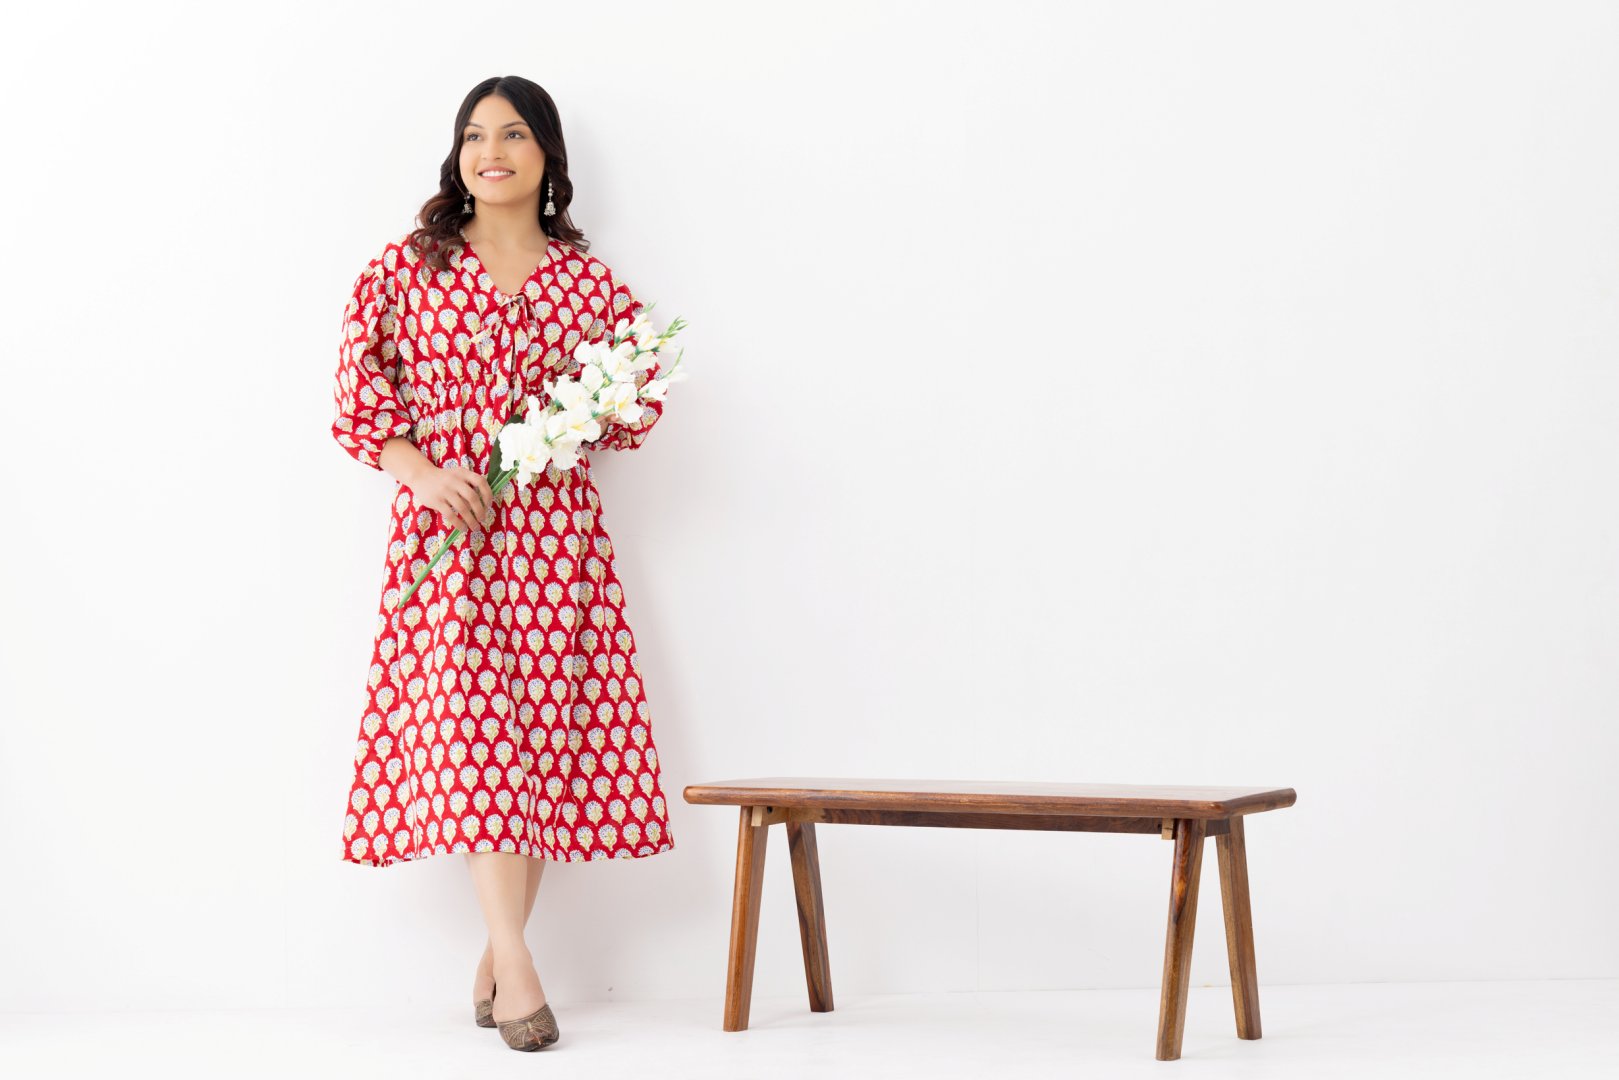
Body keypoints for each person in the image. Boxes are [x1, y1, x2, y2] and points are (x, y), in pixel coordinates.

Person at [330, 75, 677, 1053]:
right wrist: (422, 471)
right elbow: (359, 394)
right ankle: (517, 969)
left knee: (541, 754)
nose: (493, 151)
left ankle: (493, 953)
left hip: (555, 540)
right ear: (457, 157)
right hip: (451, 539)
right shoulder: (412, 268)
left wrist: (586, 414)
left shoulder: (586, 283)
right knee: (479, 745)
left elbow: (637, 403)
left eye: (514, 134)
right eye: (475, 135)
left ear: (544, 156)